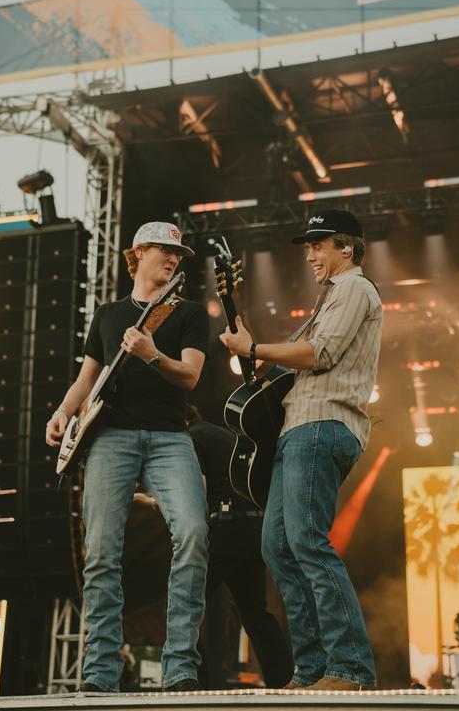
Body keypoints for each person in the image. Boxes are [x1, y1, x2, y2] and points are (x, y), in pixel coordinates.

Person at [220, 209, 382, 692]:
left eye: (318, 245)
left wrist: (254, 349)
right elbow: (288, 368)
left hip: (323, 425)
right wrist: (254, 352)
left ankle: (350, 668)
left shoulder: (355, 287)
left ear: (346, 248)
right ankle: (311, 670)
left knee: (308, 542)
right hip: (298, 428)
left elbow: (322, 353)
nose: (309, 255)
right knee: (277, 548)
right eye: (308, 246)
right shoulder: (329, 299)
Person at [46, 221, 209, 693]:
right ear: (138, 253)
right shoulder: (107, 314)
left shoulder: (190, 313)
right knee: (100, 552)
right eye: (165, 250)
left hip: (169, 438)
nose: (174, 258)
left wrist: (151, 354)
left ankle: (180, 667)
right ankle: (100, 672)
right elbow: (87, 378)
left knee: (194, 533)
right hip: (110, 438)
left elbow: (190, 376)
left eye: (179, 253)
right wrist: (62, 412)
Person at [187, 407, 294, 689]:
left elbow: (195, 492)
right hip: (254, 526)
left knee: (186, 598)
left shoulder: (191, 437)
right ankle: (283, 681)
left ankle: (193, 682)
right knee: (255, 613)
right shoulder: (222, 435)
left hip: (227, 525)